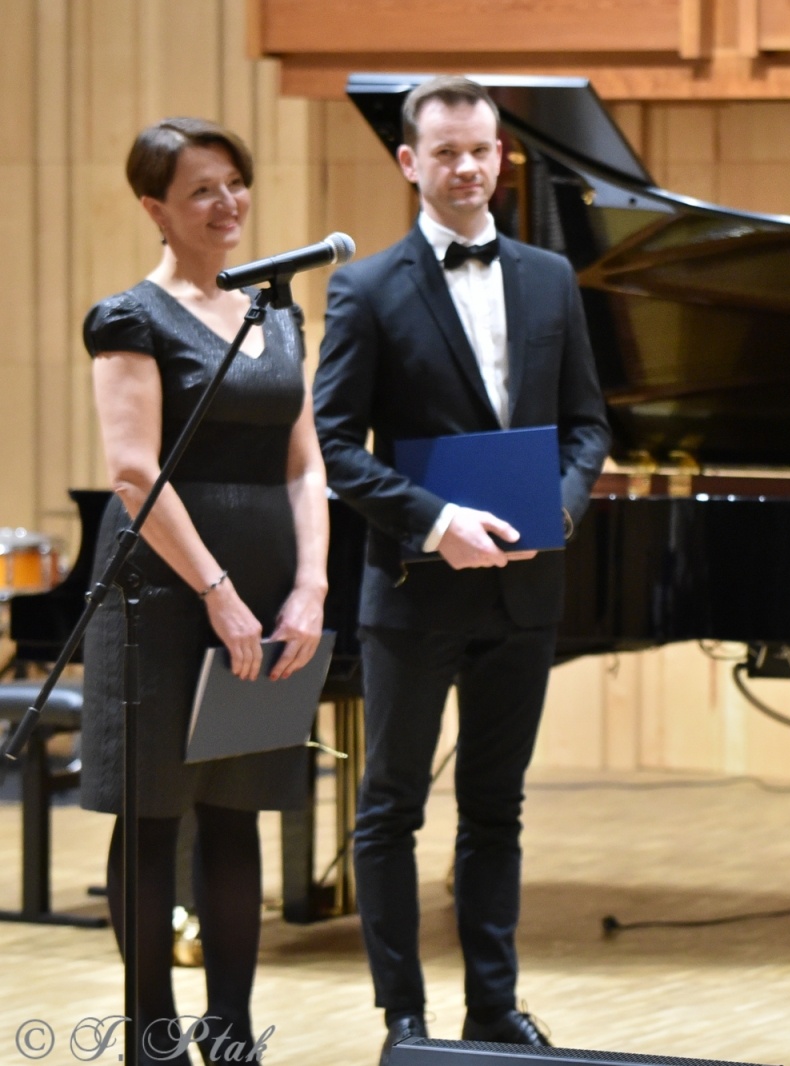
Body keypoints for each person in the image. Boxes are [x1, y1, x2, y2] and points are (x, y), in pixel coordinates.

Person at [312, 75, 610, 1063]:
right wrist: (434, 520)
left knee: (497, 805)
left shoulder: (550, 277)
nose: (468, 166)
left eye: (481, 149)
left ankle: (494, 1006)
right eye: (445, 151)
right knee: (391, 804)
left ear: (501, 154)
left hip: (523, 586)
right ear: (409, 162)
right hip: (412, 590)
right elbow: (335, 446)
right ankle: (403, 1016)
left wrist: (556, 509)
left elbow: (587, 425)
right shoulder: (364, 288)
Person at [81, 117, 329, 1064]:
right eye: (201, 191)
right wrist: (219, 594)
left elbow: (305, 465)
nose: (228, 205)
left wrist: (307, 586)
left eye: (236, 183)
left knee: (237, 804)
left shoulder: (279, 315)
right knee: (155, 815)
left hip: (271, 588)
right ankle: (154, 1039)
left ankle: (232, 1038)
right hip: (161, 591)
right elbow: (135, 473)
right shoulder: (128, 317)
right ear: (156, 209)